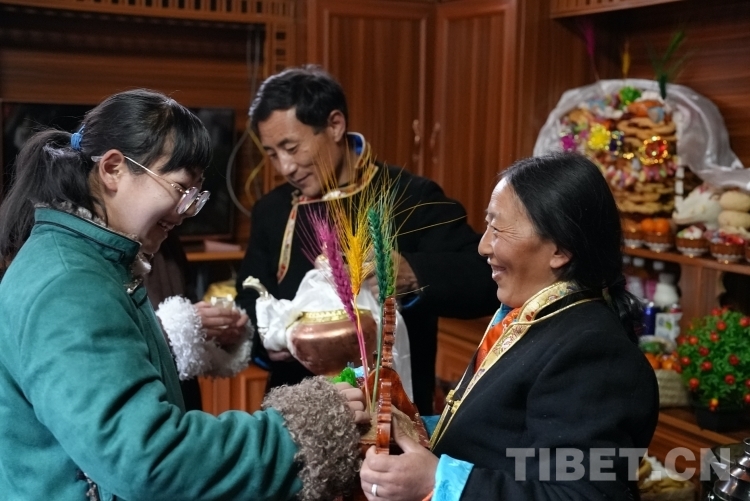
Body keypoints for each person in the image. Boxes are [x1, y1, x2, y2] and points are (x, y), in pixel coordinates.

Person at [0, 88, 368, 500]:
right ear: (114, 169)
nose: (183, 213)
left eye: (196, 197)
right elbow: (148, 458)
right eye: (179, 189)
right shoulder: (69, 284)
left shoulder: (89, 261)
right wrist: (302, 432)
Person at [357, 153, 660, 500]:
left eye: (498, 229)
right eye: (488, 226)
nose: (484, 246)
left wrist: (437, 482)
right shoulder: (532, 318)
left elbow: (583, 495)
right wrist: (402, 426)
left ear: (559, 249)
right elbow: (493, 438)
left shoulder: (594, 353)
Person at [235, 65, 499, 415]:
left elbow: (485, 278)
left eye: (292, 147)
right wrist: (268, 339)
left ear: (334, 125)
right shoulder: (271, 210)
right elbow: (249, 297)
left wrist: (411, 272)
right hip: (297, 408)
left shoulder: (411, 196)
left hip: (390, 411)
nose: (285, 167)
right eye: (272, 153)